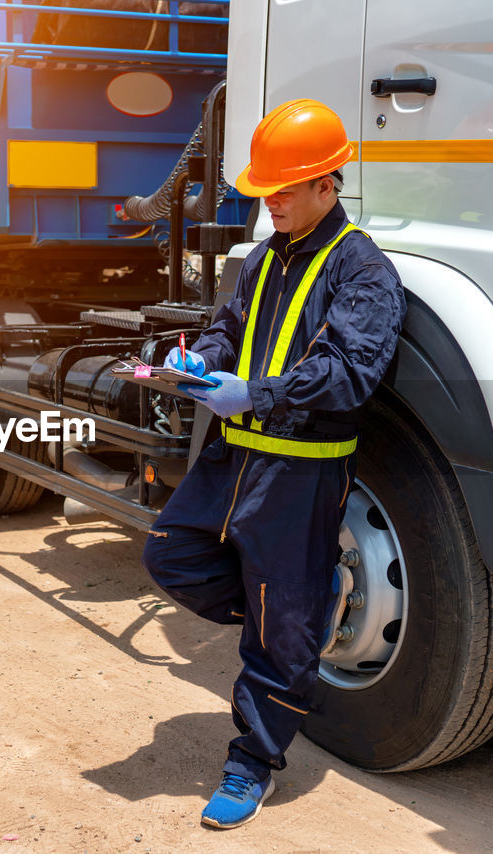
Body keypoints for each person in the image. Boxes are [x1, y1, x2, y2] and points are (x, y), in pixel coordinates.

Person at [141, 98, 406, 829]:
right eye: (267, 189)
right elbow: (228, 332)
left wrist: (253, 393)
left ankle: (251, 762)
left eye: (287, 188)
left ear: (329, 182)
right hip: (235, 459)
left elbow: (350, 373)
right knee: (171, 556)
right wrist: (199, 362)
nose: (273, 201)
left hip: (299, 472)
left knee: (279, 630)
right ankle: (294, 614)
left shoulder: (364, 272)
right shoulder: (264, 259)